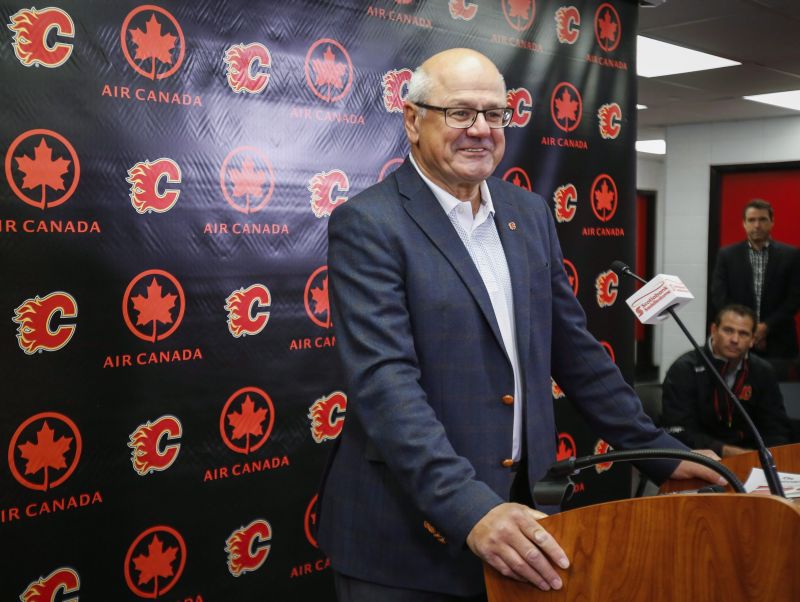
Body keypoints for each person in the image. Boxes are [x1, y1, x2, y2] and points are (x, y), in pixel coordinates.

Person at [317, 48, 722, 601]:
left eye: (494, 114)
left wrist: (659, 451)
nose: (481, 130)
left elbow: (575, 352)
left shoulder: (528, 213)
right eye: (460, 113)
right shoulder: (369, 224)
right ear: (412, 120)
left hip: (523, 522)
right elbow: (385, 386)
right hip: (406, 540)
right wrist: (471, 508)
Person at [661, 304, 793, 457]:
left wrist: (773, 457)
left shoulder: (763, 371)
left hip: (751, 456)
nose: (735, 339)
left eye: (743, 334)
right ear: (714, 330)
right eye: (728, 330)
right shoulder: (684, 369)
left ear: (753, 339)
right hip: (701, 457)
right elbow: (679, 431)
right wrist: (726, 451)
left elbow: (776, 428)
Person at [711, 199, 800, 360]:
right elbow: (719, 296)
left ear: (772, 222)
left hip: (779, 341)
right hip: (736, 340)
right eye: (751, 220)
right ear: (744, 223)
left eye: (762, 219)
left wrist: (766, 327)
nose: (757, 225)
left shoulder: (791, 255)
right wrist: (746, 327)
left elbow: (795, 298)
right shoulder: (727, 255)